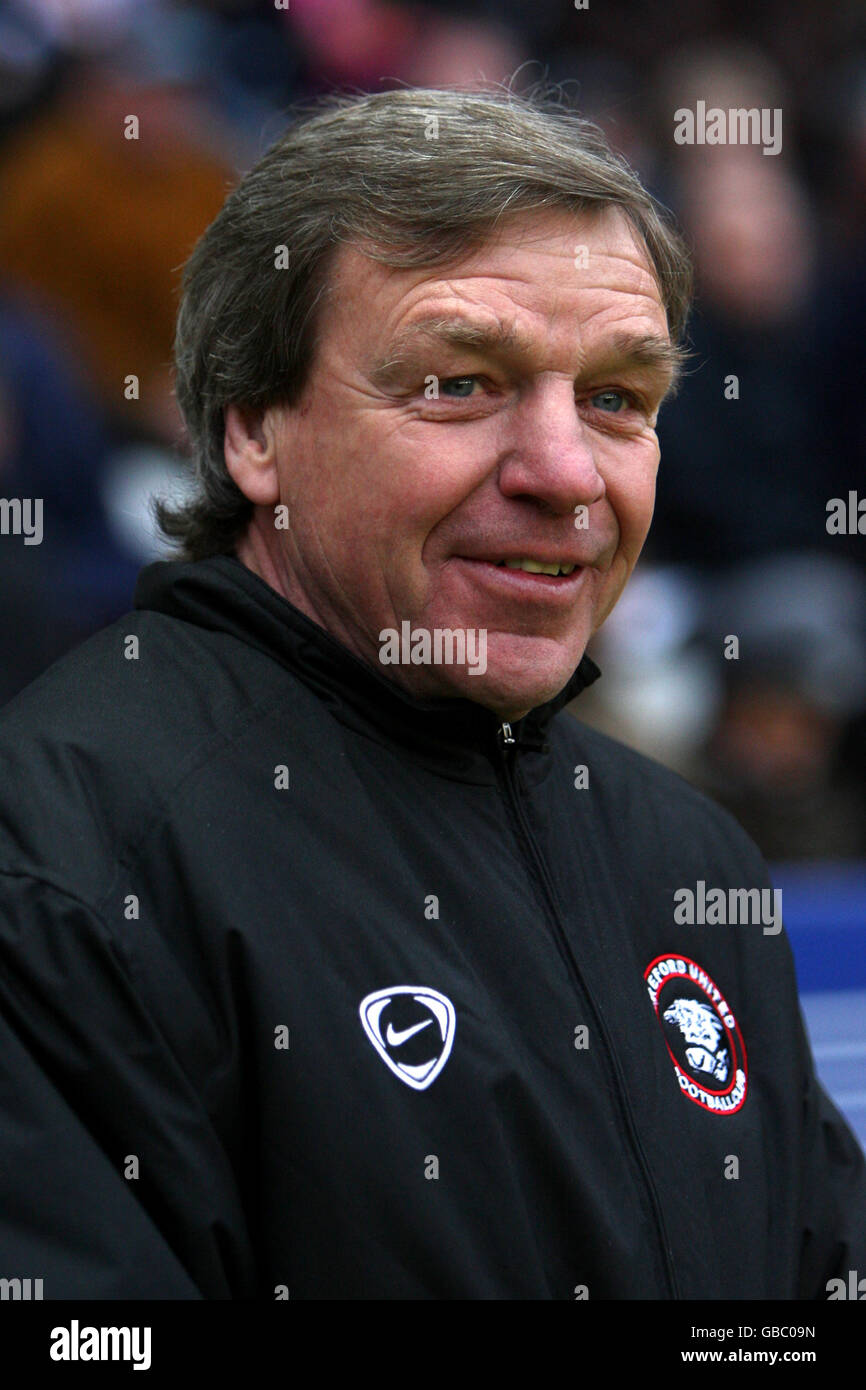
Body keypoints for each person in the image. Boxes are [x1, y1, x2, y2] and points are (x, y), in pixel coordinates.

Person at [0, 86, 863, 1301]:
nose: (566, 472)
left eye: (617, 398)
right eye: (459, 383)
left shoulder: (685, 857)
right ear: (252, 427)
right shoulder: (60, 860)